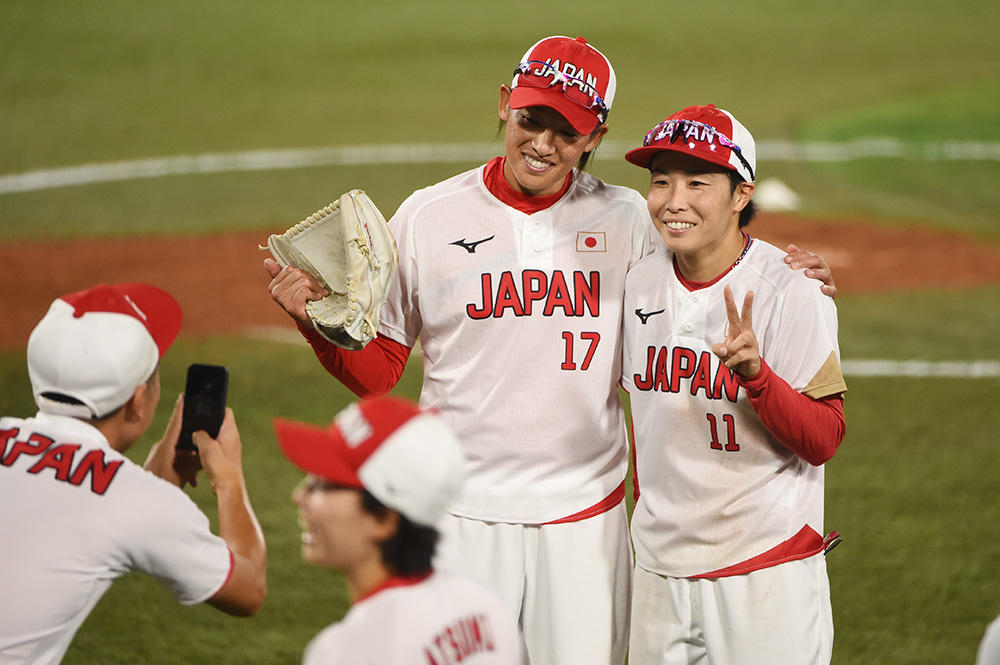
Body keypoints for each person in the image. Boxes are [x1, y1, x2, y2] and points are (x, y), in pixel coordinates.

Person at [265, 36, 836, 665]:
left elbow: (709, 238)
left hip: (585, 518)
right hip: (461, 513)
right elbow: (380, 374)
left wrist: (789, 270)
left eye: (565, 132)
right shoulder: (428, 216)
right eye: (531, 119)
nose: (542, 143)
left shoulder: (628, 220)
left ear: (594, 138)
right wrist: (314, 324)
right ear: (506, 104)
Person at [620, 104, 848, 665]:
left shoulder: (791, 290)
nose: (675, 200)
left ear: (741, 194)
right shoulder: (637, 281)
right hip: (657, 572)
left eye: (699, 182)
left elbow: (823, 438)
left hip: (764, 573)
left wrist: (757, 377)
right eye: (661, 181)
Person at [0, 282, 267, 665]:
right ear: (138, 401)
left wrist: (156, 475)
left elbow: (79, 504)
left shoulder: (131, 499)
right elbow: (248, 588)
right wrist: (229, 480)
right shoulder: (134, 501)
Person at [275, 395, 521, 665]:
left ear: (384, 520)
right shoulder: (486, 608)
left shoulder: (347, 651)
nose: (299, 496)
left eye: (323, 485)